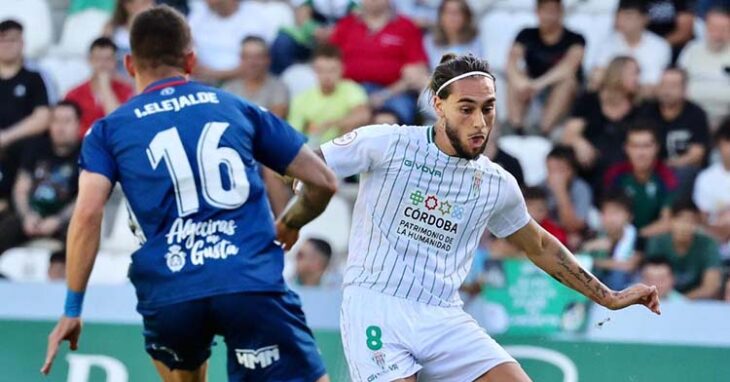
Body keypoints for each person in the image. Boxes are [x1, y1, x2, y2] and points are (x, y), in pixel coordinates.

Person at [309, 53, 659, 382]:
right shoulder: (386, 144)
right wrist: (297, 211)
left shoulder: (496, 183)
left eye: (488, 109)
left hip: (443, 314)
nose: (480, 122)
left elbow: (538, 245)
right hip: (376, 306)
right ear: (438, 105)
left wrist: (609, 297)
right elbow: (304, 165)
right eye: (466, 109)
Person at [41, 6, 337, 382]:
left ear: (130, 64)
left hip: (171, 288)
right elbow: (324, 182)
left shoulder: (107, 130)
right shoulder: (237, 106)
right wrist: (290, 222)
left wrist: (72, 308)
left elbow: (86, 215)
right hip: (247, 279)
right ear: (191, 59)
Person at [0, 101, 81, 256]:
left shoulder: (87, 153)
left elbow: (84, 198)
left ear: (78, 124)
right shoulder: (36, 147)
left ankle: (68, 278)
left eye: (67, 121)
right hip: (31, 216)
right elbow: (20, 189)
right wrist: (27, 215)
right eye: (56, 121)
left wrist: (58, 220)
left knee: (80, 233)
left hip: (66, 218)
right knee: (6, 227)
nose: (60, 127)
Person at [330, 0, 430, 125]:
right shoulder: (346, 24)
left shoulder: (406, 26)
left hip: (393, 93)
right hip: (349, 91)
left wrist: (385, 94)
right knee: (343, 119)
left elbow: (417, 71)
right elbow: (328, 61)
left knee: (385, 123)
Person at [562, 56, 641, 193]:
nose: (638, 79)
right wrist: (579, 142)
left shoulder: (639, 106)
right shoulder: (589, 100)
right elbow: (569, 134)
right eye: (634, 73)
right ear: (618, 74)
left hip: (623, 168)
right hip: (589, 165)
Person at [506, 0, 585, 134]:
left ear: (561, 13)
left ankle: (543, 129)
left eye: (552, 11)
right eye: (545, 11)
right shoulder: (526, 34)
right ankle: (515, 126)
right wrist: (520, 82)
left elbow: (567, 68)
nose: (549, 16)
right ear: (537, 12)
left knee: (567, 82)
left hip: (557, 88)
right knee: (516, 78)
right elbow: (512, 61)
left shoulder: (575, 39)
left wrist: (537, 84)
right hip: (532, 86)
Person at [0, 19, 51, 217]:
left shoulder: (34, 79)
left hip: (22, 150)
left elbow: (42, 118)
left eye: (13, 40)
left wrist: (6, 137)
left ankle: (17, 206)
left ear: (22, 43)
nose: (7, 46)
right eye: (3, 40)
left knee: (33, 146)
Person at [638, 67, 711, 193]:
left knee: (685, 173)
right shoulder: (646, 111)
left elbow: (697, 154)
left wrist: (669, 166)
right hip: (650, 168)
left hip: (680, 169)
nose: (667, 90)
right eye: (663, 85)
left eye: (673, 86)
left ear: (684, 90)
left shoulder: (696, 114)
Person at [288, 44, 371, 148]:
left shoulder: (351, 89)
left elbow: (363, 115)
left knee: (351, 128)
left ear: (342, 69)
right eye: (321, 71)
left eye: (332, 70)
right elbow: (294, 135)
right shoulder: (301, 99)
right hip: (314, 152)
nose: (327, 76)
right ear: (314, 71)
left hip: (344, 147)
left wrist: (333, 124)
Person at [604, 122, 678, 238]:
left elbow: (666, 223)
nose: (641, 153)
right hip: (618, 239)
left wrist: (634, 237)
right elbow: (609, 215)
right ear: (626, 148)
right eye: (635, 146)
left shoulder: (666, 177)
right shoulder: (615, 175)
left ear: (657, 147)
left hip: (653, 240)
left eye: (646, 146)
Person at [644, 200, 723, 299]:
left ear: (697, 225)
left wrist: (681, 302)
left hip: (697, 302)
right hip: (662, 299)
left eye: (690, 221)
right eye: (679, 220)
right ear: (671, 221)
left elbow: (710, 286)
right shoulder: (657, 242)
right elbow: (651, 279)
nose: (684, 226)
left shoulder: (708, 244)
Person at [591, 0, 671, 93]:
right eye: (619, 16)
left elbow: (653, 83)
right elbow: (598, 74)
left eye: (628, 16)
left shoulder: (660, 46)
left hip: (643, 99)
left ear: (644, 19)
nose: (622, 21)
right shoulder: (607, 43)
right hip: (613, 94)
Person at [188, 0, 273, 84]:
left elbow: (256, 62)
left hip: (241, 83)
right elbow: (185, 52)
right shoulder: (197, 15)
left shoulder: (255, 15)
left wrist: (216, 76)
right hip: (200, 82)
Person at [65, 37, 135, 137]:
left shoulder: (127, 91)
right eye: (98, 59)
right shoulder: (74, 94)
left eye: (108, 59)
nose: (103, 65)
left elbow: (120, 123)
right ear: (90, 61)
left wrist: (105, 88)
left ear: (115, 62)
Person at [270, 0, 357, 75]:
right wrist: (315, 30)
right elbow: (302, 15)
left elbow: (357, 17)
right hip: (310, 36)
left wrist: (337, 32)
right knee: (282, 43)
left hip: (342, 35)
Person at [677, 7, 730, 129]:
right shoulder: (691, 50)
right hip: (691, 117)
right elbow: (679, 81)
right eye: (713, 28)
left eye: (724, 29)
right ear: (705, 28)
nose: (718, 34)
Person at [582, 192, 639, 290]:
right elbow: (578, 261)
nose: (611, 218)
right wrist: (589, 247)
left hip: (625, 286)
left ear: (629, 216)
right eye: (606, 213)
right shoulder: (593, 234)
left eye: (616, 213)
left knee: (618, 275)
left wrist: (594, 262)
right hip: (595, 287)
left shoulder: (637, 238)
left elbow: (629, 266)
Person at [222, 36, 290, 118]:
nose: (252, 63)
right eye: (247, 57)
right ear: (241, 59)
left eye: (258, 57)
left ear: (267, 59)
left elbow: (275, 121)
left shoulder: (278, 87)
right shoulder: (230, 87)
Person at [693, 118, 730, 261]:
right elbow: (704, 218)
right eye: (727, 142)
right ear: (719, 144)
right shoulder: (706, 178)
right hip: (714, 239)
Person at [543, 145, 593, 241]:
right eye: (550, 170)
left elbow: (574, 227)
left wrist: (560, 192)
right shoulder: (540, 186)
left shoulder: (581, 189)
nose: (554, 176)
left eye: (559, 170)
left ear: (572, 171)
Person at [423, 0, 482, 70]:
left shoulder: (476, 41)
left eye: (457, 13)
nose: (452, 17)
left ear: (466, 17)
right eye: (448, 12)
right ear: (440, 16)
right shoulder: (429, 41)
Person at [103, 0, 155, 77]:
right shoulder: (111, 30)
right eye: (145, 3)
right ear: (129, 5)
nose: (151, 7)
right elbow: (103, 60)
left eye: (151, 2)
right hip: (119, 82)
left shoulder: (158, 30)